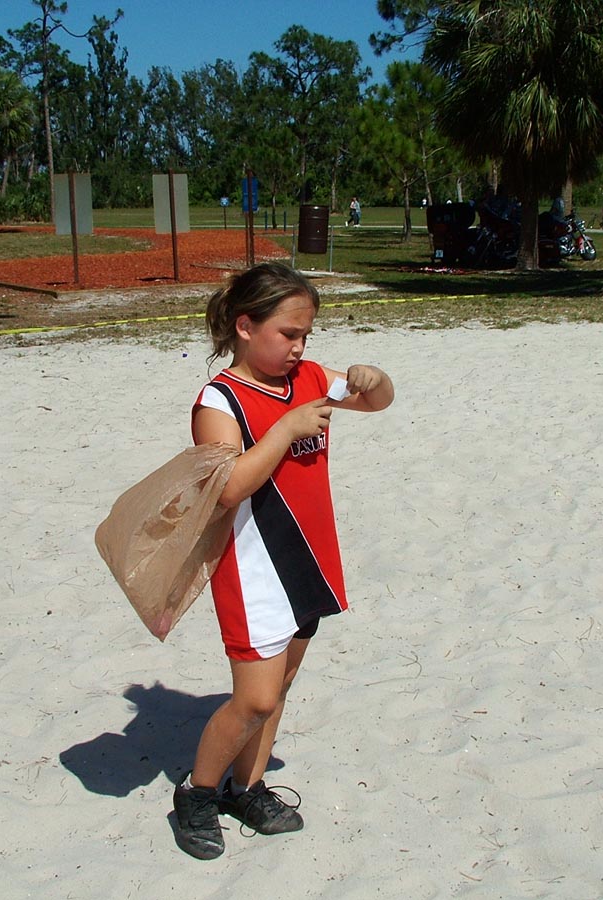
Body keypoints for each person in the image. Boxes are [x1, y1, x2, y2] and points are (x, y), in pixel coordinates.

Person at [173, 262, 394, 860]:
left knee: (284, 682)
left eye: (306, 335)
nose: (299, 347)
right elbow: (226, 487)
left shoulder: (311, 377)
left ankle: (246, 787)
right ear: (245, 327)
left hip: (309, 558)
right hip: (253, 567)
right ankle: (196, 794)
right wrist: (285, 430)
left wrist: (374, 379)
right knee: (256, 699)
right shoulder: (219, 401)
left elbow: (376, 401)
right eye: (288, 334)